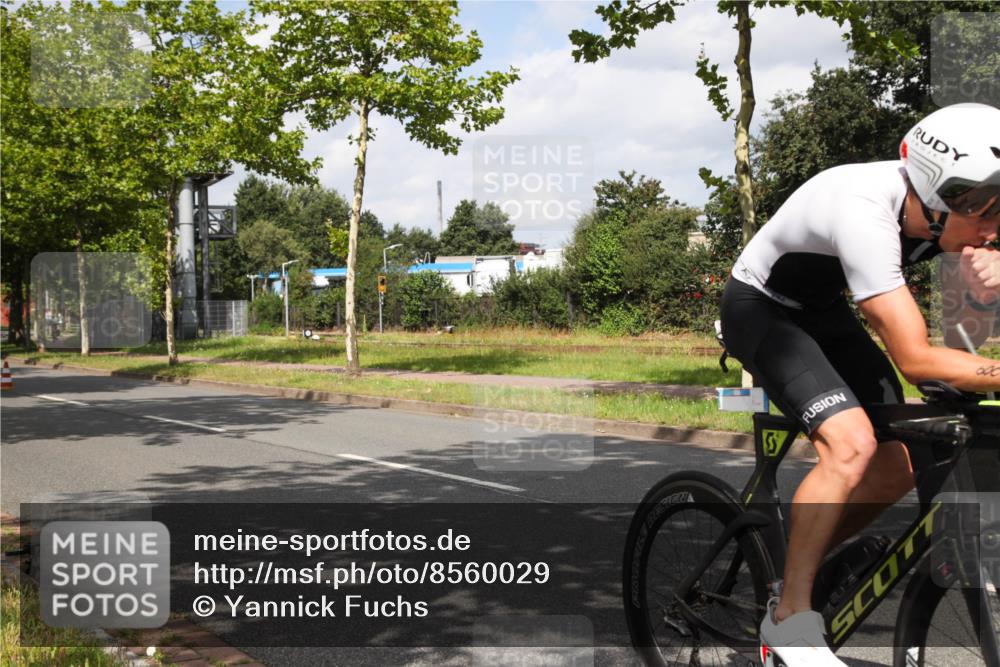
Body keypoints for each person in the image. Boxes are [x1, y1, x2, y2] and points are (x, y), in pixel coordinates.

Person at [719, 102, 1000, 666]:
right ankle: (788, 618)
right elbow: (915, 358)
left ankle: (807, 555)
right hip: (761, 309)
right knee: (851, 444)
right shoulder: (863, 210)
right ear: (943, 201)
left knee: (899, 459)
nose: (995, 227)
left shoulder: (949, 214)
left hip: (823, 310)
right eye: (988, 213)